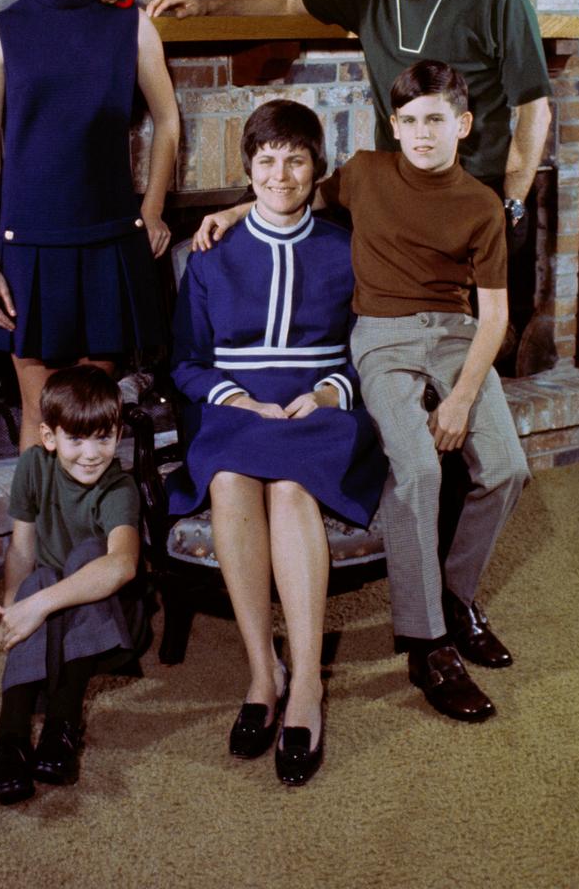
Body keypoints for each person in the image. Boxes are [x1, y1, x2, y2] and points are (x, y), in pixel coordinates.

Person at [194, 62, 531, 723]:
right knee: (414, 469)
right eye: (407, 121)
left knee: (505, 467)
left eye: (434, 119)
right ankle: (426, 642)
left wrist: (461, 398)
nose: (420, 134)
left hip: (460, 334)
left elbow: (493, 318)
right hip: (382, 336)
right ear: (392, 127)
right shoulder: (366, 172)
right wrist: (237, 208)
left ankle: (456, 596)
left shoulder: (481, 204)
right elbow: (292, 194)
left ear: (460, 125)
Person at [147, 0, 552, 353]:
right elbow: (289, 1)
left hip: (470, 203)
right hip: (396, 203)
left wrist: (510, 200)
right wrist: (209, 5)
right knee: (397, 342)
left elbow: (535, 107)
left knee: (468, 350)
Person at [169, 100, 387, 785]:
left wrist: (328, 394)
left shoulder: (347, 246)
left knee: (291, 487)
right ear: (247, 170)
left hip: (321, 409)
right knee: (231, 480)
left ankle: (307, 690)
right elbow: (184, 361)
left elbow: (369, 345)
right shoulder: (209, 255)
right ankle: (263, 676)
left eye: (295, 158)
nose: (280, 173)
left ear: (316, 167)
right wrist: (237, 399)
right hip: (236, 410)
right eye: (266, 160)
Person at [0, 0, 180, 450]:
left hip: (109, 240)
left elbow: (168, 122)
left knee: (91, 414)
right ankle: (30, 542)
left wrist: (154, 207)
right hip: (29, 245)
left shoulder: (131, 27)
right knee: (40, 408)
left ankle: (95, 540)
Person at [0, 365, 150, 805]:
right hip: (53, 610)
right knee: (42, 575)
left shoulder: (119, 486)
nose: (91, 453)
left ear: (117, 434)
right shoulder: (34, 465)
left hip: (114, 625)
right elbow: (20, 551)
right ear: (49, 437)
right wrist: (13, 616)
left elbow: (123, 565)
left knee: (87, 557)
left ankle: (62, 727)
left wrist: (38, 607)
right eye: (76, 439)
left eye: (103, 437)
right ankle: (10, 742)